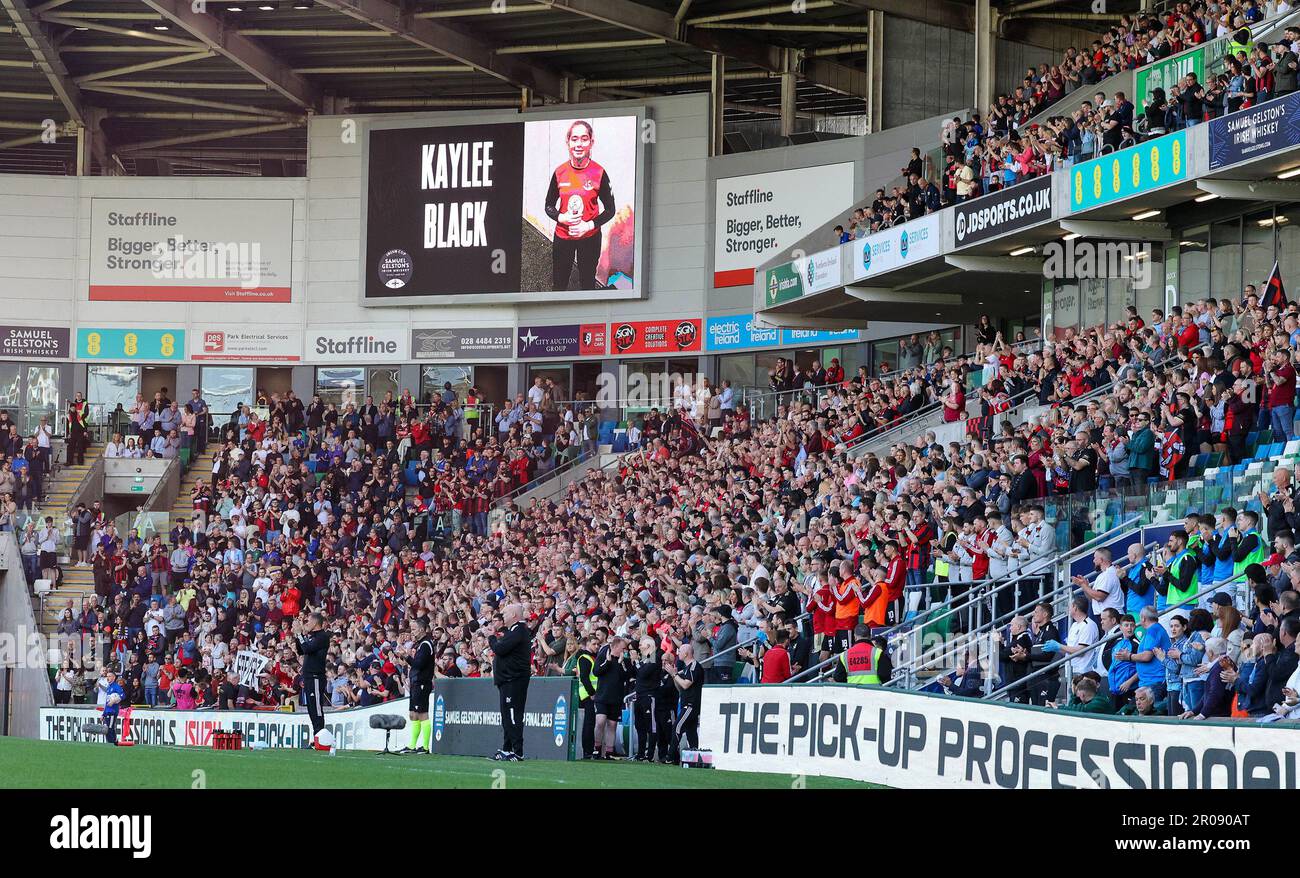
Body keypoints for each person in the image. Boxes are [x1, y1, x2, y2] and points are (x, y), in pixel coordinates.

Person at [545, 120, 616, 291]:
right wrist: (562, 218)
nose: (579, 144)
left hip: (590, 238)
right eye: (574, 139)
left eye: (584, 139)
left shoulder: (599, 173)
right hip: (563, 236)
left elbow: (610, 209)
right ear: (568, 142)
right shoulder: (559, 172)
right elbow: (548, 205)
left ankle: (589, 318)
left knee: (587, 284)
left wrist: (588, 225)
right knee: (559, 285)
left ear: (591, 142)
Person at [487, 602, 534, 761]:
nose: (502, 616)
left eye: (505, 613)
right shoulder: (513, 631)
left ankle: (518, 751)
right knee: (507, 716)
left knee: (513, 715)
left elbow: (500, 649)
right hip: (507, 680)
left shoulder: (519, 630)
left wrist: (491, 637)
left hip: (514, 679)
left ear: (514, 615)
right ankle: (507, 748)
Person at [294, 612, 331, 751]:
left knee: (316, 708)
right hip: (309, 676)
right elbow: (301, 650)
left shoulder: (322, 637)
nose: (306, 624)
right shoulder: (313, 636)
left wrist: (299, 634)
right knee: (311, 709)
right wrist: (299, 635)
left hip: (316, 676)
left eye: (308, 621)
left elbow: (308, 648)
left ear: (315, 623)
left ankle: (320, 739)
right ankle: (317, 738)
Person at [399, 617, 436, 755]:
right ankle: (412, 746)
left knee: (422, 714)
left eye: (414, 629)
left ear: (421, 629)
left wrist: (406, 657)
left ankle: (425, 747)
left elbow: (419, 664)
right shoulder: (421, 644)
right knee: (413, 715)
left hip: (422, 683)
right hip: (416, 683)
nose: (412, 632)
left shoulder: (426, 644)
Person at [665, 642, 701, 757]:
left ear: (686, 654)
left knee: (677, 727)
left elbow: (686, 684)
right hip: (686, 702)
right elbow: (680, 688)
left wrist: (674, 675)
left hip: (691, 704)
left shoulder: (694, 666)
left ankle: (671, 756)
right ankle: (695, 757)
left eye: (679, 651)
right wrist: (674, 675)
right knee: (691, 732)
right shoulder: (686, 668)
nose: (677, 653)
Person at [574, 635, 599, 760]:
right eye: (594, 644)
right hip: (587, 695)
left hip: (587, 694)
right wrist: (592, 693)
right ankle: (587, 750)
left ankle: (588, 750)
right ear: (587, 644)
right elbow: (584, 678)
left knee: (589, 724)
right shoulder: (585, 658)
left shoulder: (589, 658)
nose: (596, 646)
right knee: (589, 724)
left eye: (597, 644)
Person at [100, 669, 125, 745]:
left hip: (112, 711)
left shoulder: (116, 686)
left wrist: (114, 701)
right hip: (108, 712)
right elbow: (107, 703)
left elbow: (123, 695)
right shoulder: (109, 687)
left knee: (109, 728)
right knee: (107, 729)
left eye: (109, 676)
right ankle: (113, 743)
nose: (108, 678)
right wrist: (103, 714)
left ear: (114, 678)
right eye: (107, 676)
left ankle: (112, 743)